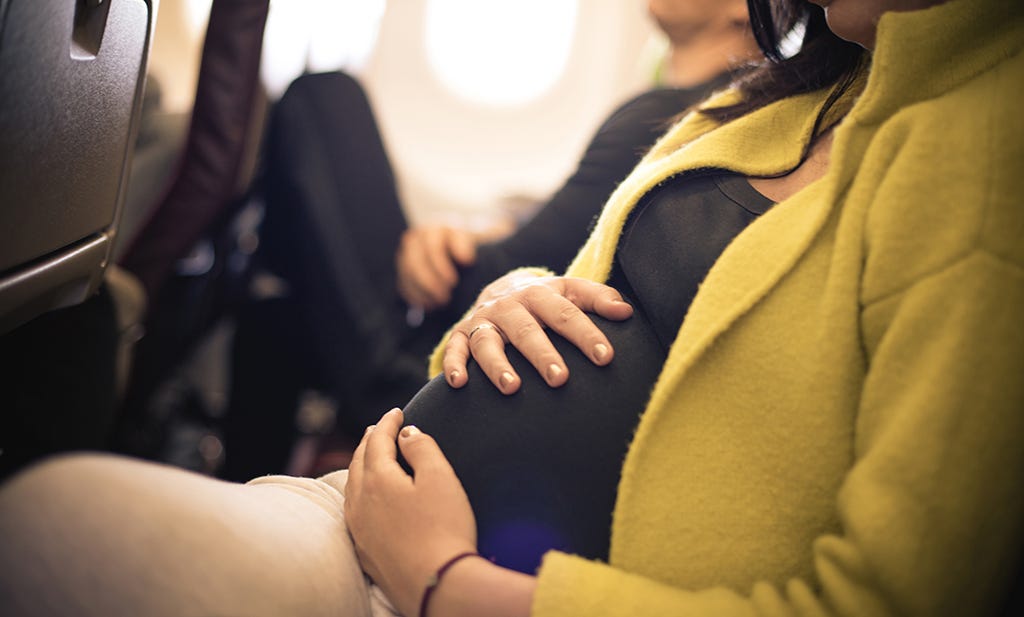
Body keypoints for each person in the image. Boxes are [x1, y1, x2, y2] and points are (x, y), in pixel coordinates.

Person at [1, 1, 1022, 616]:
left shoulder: (981, 154)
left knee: (51, 528)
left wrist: (451, 582)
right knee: (57, 519)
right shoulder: (776, 101)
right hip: (391, 490)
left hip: (476, 582)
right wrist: (505, 292)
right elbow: (592, 283)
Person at [221, 0, 764, 480]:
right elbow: (570, 240)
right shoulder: (714, 113)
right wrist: (485, 231)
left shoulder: (674, 116)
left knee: (324, 97)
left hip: (440, 381)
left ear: (746, 6)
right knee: (276, 318)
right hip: (492, 379)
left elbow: (507, 274)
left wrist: (454, 252)